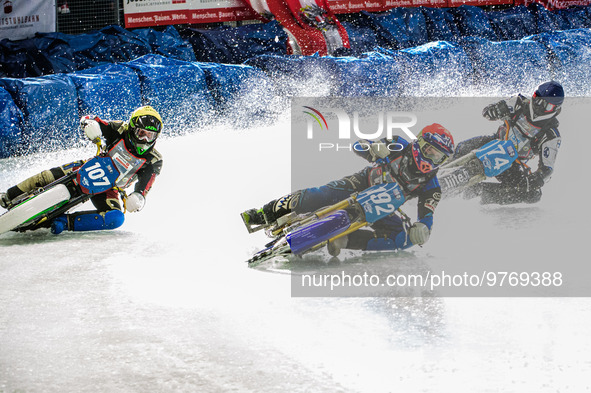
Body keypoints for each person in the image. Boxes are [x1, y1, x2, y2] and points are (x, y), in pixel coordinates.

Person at [242, 124, 455, 256]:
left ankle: (343, 240)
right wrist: (372, 149)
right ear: (418, 142)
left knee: (403, 239)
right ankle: (264, 213)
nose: (431, 159)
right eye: (429, 151)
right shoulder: (398, 144)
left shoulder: (432, 187)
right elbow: (358, 145)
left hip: (386, 207)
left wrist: (422, 230)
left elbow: (427, 216)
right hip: (362, 182)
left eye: (438, 157)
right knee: (320, 194)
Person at [0, 106, 164, 234]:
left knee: (116, 218)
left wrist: (138, 198)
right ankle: (9, 195)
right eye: (141, 133)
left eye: (150, 136)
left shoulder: (154, 160)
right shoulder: (119, 128)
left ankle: (64, 223)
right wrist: (90, 125)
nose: (144, 139)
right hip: (90, 166)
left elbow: (145, 187)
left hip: (110, 188)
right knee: (47, 176)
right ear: (132, 128)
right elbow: (92, 119)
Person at [453, 80, 564, 204]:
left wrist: (535, 179)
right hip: (493, 141)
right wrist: (495, 110)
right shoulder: (519, 102)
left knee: (533, 194)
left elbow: (547, 168)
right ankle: (441, 166)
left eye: (546, 105)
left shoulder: (551, 135)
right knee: (463, 147)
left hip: (512, 164)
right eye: (537, 99)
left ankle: (478, 192)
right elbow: (488, 111)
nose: (538, 106)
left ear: (556, 109)